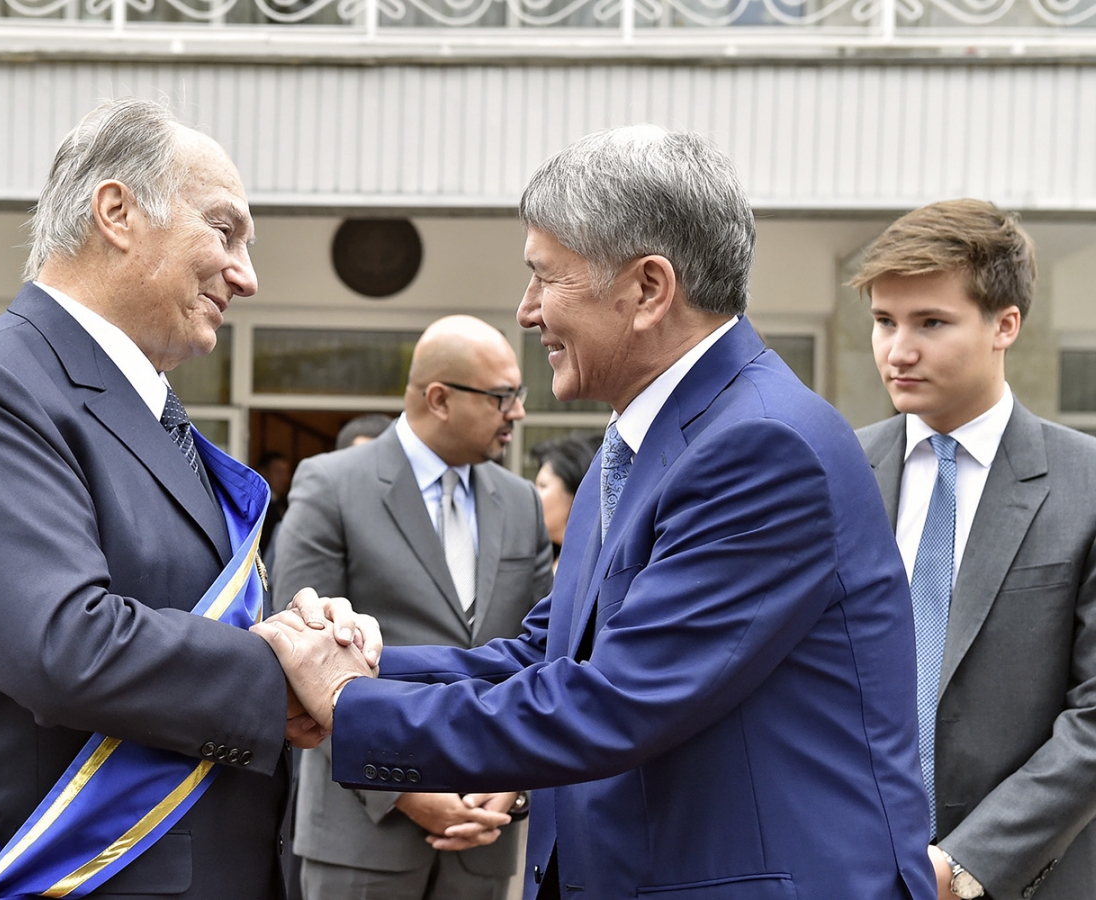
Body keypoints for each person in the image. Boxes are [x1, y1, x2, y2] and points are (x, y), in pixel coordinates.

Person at [254, 125, 936, 900]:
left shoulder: (761, 448)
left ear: (648, 288)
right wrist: (357, 668)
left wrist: (346, 702)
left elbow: (614, 700)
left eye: (547, 278)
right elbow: (546, 659)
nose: (527, 310)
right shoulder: (644, 442)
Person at [0, 98, 374, 900]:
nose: (247, 274)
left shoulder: (143, 412)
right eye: (225, 231)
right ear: (117, 212)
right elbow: (61, 645)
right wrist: (283, 673)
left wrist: (309, 651)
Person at [854, 199, 1096, 900]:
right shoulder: (835, 474)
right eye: (884, 321)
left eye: (931, 322)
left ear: (1005, 325)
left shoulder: (1085, 484)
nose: (898, 350)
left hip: (1030, 879)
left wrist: (965, 865)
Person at [273, 314, 554, 900]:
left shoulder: (521, 502)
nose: (518, 413)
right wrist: (405, 791)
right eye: (504, 397)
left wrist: (511, 781)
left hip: (484, 832)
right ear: (439, 398)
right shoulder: (331, 484)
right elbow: (300, 656)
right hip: (363, 831)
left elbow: (541, 658)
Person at [529, 432, 602, 570]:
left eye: (543, 486)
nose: (533, 495)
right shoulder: (539, 561)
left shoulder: (593, 566)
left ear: (576, 493)